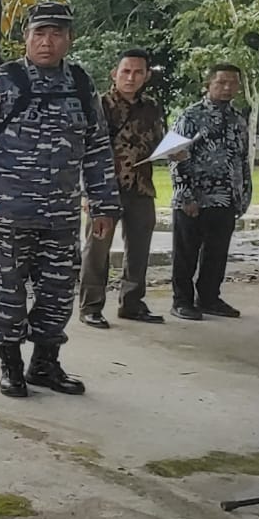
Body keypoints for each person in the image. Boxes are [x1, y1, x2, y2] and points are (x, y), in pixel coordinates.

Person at [0, 1, 121, 399]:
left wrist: (104, 204)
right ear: (26, 38)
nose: (47, 42)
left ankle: (45, 365)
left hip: (61, 215)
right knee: (8, 292)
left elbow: (98, 148)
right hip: (8, 213)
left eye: (56, 34)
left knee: (58, 293)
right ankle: (11, 367)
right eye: (39, 33)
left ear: (69, 39)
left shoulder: (81, 85)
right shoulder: (2, 82)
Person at [78, 49, 170, 327]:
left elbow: (157, 141)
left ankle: (132, 303)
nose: (131, 77)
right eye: (126, 71)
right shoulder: (98, 105)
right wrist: (87, 192)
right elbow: (83, 149)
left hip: (141, 188)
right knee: (97, 250)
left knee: (139, 250)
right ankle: (91, 306)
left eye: (138, 72)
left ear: (147, 76)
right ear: (114, 74)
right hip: (105, 188)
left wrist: (172, 151)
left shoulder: (151, 107)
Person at [168, 62, 253, 321]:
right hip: (194, 198)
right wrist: (185, 195)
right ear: (208, 85)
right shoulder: (190, 116)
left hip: (225, 199)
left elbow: (242, 159)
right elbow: (175, 157)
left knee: (216, 253)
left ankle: (209, 298)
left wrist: (244, 194)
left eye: (233, 83)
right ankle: (182, 301)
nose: (227, 88)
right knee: (186, 253)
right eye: (221, 82)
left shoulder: (238, 119)